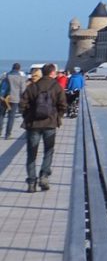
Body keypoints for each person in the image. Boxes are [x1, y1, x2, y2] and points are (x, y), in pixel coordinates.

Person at [20, 63, 67, 193]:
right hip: (50, 124)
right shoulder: (56, 87)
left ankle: (31, 182)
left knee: (31, 154)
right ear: (52, 73)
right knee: (48, 151)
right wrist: (58, 117)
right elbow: (63, 105)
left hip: (33, 125)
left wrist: (28, 116)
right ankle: (44, 176)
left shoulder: (33, 87)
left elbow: (22, 104)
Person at [1, 64, 26, 140]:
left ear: (12, 68)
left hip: (3, 98)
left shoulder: (6, 76)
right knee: (11, 117)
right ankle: (8, 134)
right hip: (14, 100)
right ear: (19, 69)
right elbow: (23, 90)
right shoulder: (21, 78)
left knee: (1, 115)